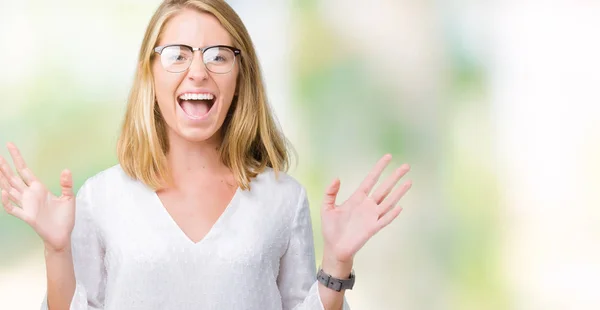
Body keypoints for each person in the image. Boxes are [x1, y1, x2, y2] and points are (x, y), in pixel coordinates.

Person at [0, 0, 412, 309]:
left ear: (240, 75)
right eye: (178, 54)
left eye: (217, 56)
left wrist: (338, 262)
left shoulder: (283, 199)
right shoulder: (101, 197)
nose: (198, 71)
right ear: (150, 73)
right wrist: (57, 250)